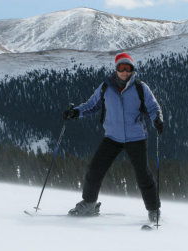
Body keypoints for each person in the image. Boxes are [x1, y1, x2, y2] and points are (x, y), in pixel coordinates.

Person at [62, 52, 164, 222]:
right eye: (121, 68)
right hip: (112, 137)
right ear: (116, 69)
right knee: (95, 169)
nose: (124, 71)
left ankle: (154, 210)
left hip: (136, 137)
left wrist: (157, 120)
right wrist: (76, 112)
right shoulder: (105, 87)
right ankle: (89, 204)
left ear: (132, 70)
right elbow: (91, 105)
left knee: (143, 175)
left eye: (128, 68)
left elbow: (153, 107)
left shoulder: (140, 87)